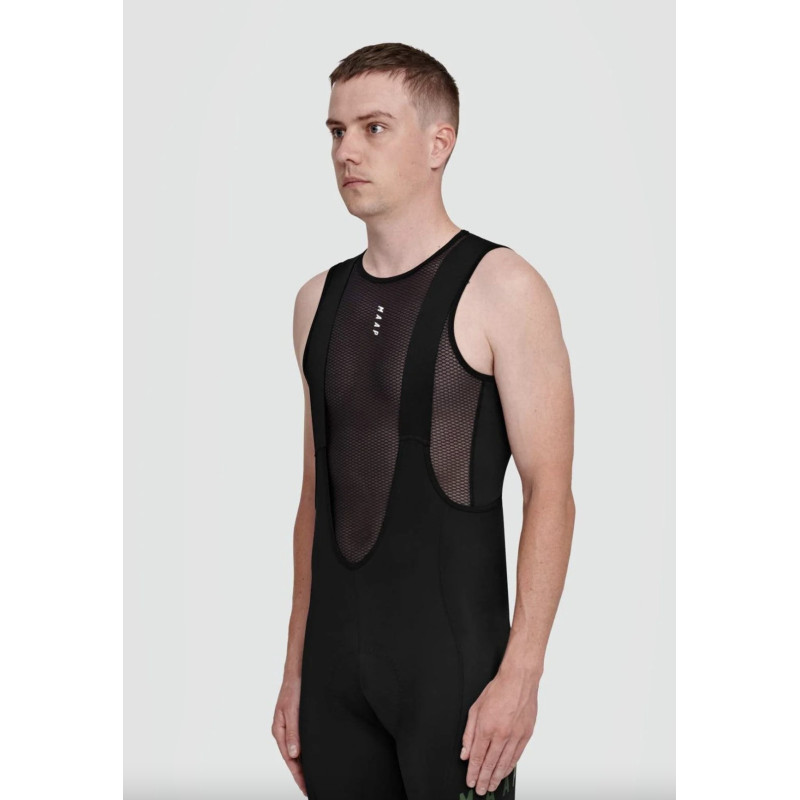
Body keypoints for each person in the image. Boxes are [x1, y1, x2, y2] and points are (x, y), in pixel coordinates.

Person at [272, 42, 575, 800]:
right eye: (336, 131)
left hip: (456, 679)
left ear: (440, 143)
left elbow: (550, 491)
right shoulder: (315, 301)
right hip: (334, 681)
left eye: (373, 128)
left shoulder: (504, 287)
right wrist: (294, 671)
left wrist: (522, 674)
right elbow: (316, 498)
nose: (347, 151)